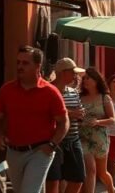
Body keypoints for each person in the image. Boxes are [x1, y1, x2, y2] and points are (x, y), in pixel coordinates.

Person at [0, 46, 70, 193]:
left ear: (37, 66)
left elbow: (63, 122)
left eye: (25, 63)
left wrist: (52, 144)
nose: (20, 66)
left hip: (40, 151)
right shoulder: (7, 90)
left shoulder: (50, 92)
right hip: (14, 151)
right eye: (18, 62)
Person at [46, 58, 87, 193]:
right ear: (63, 73)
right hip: (54, 140)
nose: (76, 76)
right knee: (53, 179)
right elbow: (46, 112)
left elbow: (78, 110)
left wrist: (80, 114)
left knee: (78, 177)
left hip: (73, 139)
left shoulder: (73, 91)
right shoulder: (48, 90)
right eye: (73, 72)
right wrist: (70, 113)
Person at [78, 67, 115, 193]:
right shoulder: (79, 97)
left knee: (102, 173)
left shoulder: (104, 97)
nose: (85, 81)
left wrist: (98, 122)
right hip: (82, 137)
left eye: (88, 78)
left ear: (96, 80)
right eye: (84, 79)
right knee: (90, 169)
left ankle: (111, 189)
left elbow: (112, 119)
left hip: (100, 138)